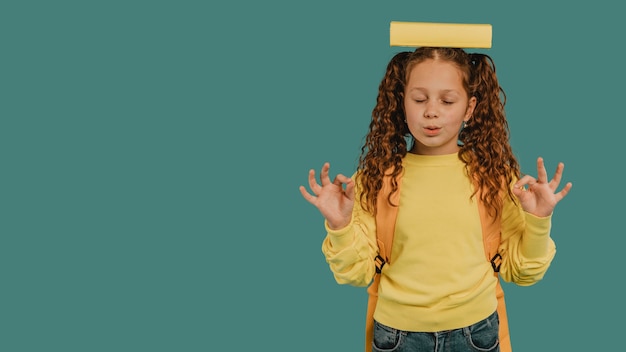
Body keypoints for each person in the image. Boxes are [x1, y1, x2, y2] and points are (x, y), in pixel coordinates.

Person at [299, 47, 572, 352]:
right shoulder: (376, 179)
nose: (431, 111)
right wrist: (340, 225)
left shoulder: (493, 177)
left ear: (469, 109)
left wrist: (538, 220)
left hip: (477, 334)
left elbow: (523, 274)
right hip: (397, 336)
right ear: (402, 103)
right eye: (419, 99)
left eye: (447, 100)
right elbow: (355, 274)